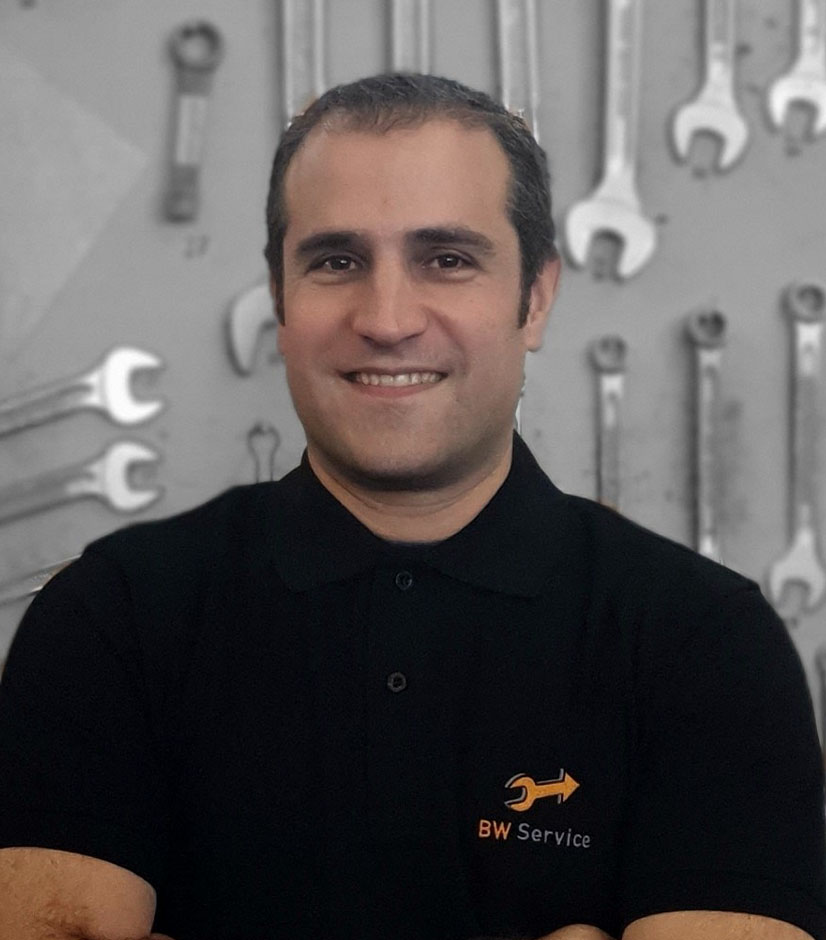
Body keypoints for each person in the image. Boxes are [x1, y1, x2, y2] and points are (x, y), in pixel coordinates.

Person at [0, 72, 823, 940]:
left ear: (536, 297)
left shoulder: (706, 643)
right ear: (280, 297)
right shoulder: (113, 617)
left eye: (448, 259)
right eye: (337, 261)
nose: (387, 319)